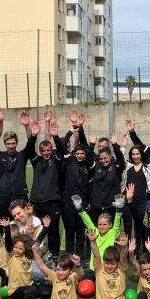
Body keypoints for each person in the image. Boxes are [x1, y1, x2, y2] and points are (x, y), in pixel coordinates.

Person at [0, 107, 31, 221]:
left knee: (24, 223)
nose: (11, 146)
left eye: (13, 143)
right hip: (3, 196)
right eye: (8, 143)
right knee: (4, 224)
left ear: (16, 143)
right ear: (5, 144)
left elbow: (31, 141)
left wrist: (27, 126)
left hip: (21, 195)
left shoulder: (22, 156)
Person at [56, 111, 93, 261]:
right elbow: (60, 146)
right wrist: (70, 131)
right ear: (73, 153)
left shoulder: (88, 164)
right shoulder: (68, 160)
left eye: (82, 154)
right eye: (77, 153)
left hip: (82, 203)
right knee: (69, 229)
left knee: (81, 229)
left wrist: (81, 128)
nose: (79, 155)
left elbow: (86, 146)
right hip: (68, 203)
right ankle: (69, 253)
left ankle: (79, 253)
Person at [26, 119, 64, 260]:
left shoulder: (56, 161)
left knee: (53, 229)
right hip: (36, 201)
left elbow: (61, 150)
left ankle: (54, 255)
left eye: (48, 150)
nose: (46, 153)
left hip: (53, 202)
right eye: (43, 151)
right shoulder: (36, 161)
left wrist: (55, 136)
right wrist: (34, 136)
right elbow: (29, 150)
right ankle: (36, 253)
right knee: (36, 228)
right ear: (40, 151)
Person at [71, 191, 127, 275]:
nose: (102, 226)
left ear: (110, 225)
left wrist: (119, 210)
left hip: (108, 268)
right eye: (100, 224)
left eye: (105, 224)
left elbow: (116, 223)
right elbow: (87, 221)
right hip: (94, 267)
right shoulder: (95, 232)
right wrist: (79, 208)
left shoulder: (112, 233)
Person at [121, 140, 150, 253]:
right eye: (133, 154)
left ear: (141, 154)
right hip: (128, 201)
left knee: (139, 227)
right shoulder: (128, 166)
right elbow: (120, 157)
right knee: (128, 227)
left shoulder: (146, 168)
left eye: (137, 154)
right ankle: (127, 252)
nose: (135, 156)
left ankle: (138, 251)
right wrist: (124, 144)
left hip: (141, 202)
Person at [88, 133, 125, 225]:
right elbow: (88, 159)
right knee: (95, 232)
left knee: (113, 232)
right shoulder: (95, 167)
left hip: (112, 206)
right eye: (101, 159)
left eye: (106, 158)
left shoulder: (116, 167)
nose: (103, 160)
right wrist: (91, 145)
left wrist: (115, 145)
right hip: (96, 206)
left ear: (110, 157)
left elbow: (120, 158)